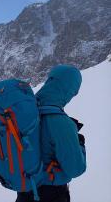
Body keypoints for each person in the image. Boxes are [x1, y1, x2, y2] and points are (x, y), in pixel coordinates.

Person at [16, 65, 86, 202]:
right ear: (70, 89)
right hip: (51, 194)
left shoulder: (25, 112)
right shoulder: (61, 122)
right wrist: (80, 143)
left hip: (24, 191)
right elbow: (76, 169)